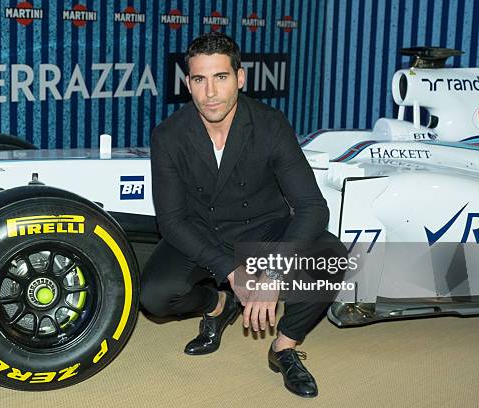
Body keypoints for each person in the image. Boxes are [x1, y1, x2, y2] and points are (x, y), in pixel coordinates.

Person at [140, 32, 345, 398]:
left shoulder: (269, 123)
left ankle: (284, 346)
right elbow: (170, 222)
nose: (211, 92)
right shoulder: (168, 135)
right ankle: (219, 303)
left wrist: (273, 272)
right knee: (155, 296)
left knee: (331, 257)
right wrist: (231, 273)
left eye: (221, 77)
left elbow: (313, 207)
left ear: (241, 78)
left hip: (262, 231)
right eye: (200, 80)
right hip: (204, 233)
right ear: (188, 84)